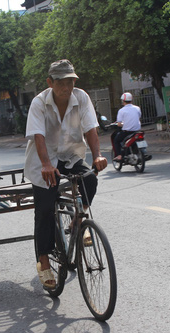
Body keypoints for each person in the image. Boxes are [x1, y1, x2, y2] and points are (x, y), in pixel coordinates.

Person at [24, 59, 108, 289]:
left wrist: (97, 155)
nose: (67, 87)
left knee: (89, 179)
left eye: (71, 81)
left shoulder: (81, 97)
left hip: (70, 155)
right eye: (61, 82)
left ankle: (77, 220)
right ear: (50, 82)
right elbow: (38, 136)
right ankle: (43, 261)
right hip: (45, 160)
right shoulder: (39, 103)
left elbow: (91, 128)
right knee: (45, 210)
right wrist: (46, 165)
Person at [112, 92, 143, 161]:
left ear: (123, 101)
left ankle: (119, 155)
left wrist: (121, 124)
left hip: (127, 132)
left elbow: (119, 124)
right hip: (138, 131)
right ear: (131, 100)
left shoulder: (121, 111)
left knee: (116, 140)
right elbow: (138, 117)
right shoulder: (137, 108)